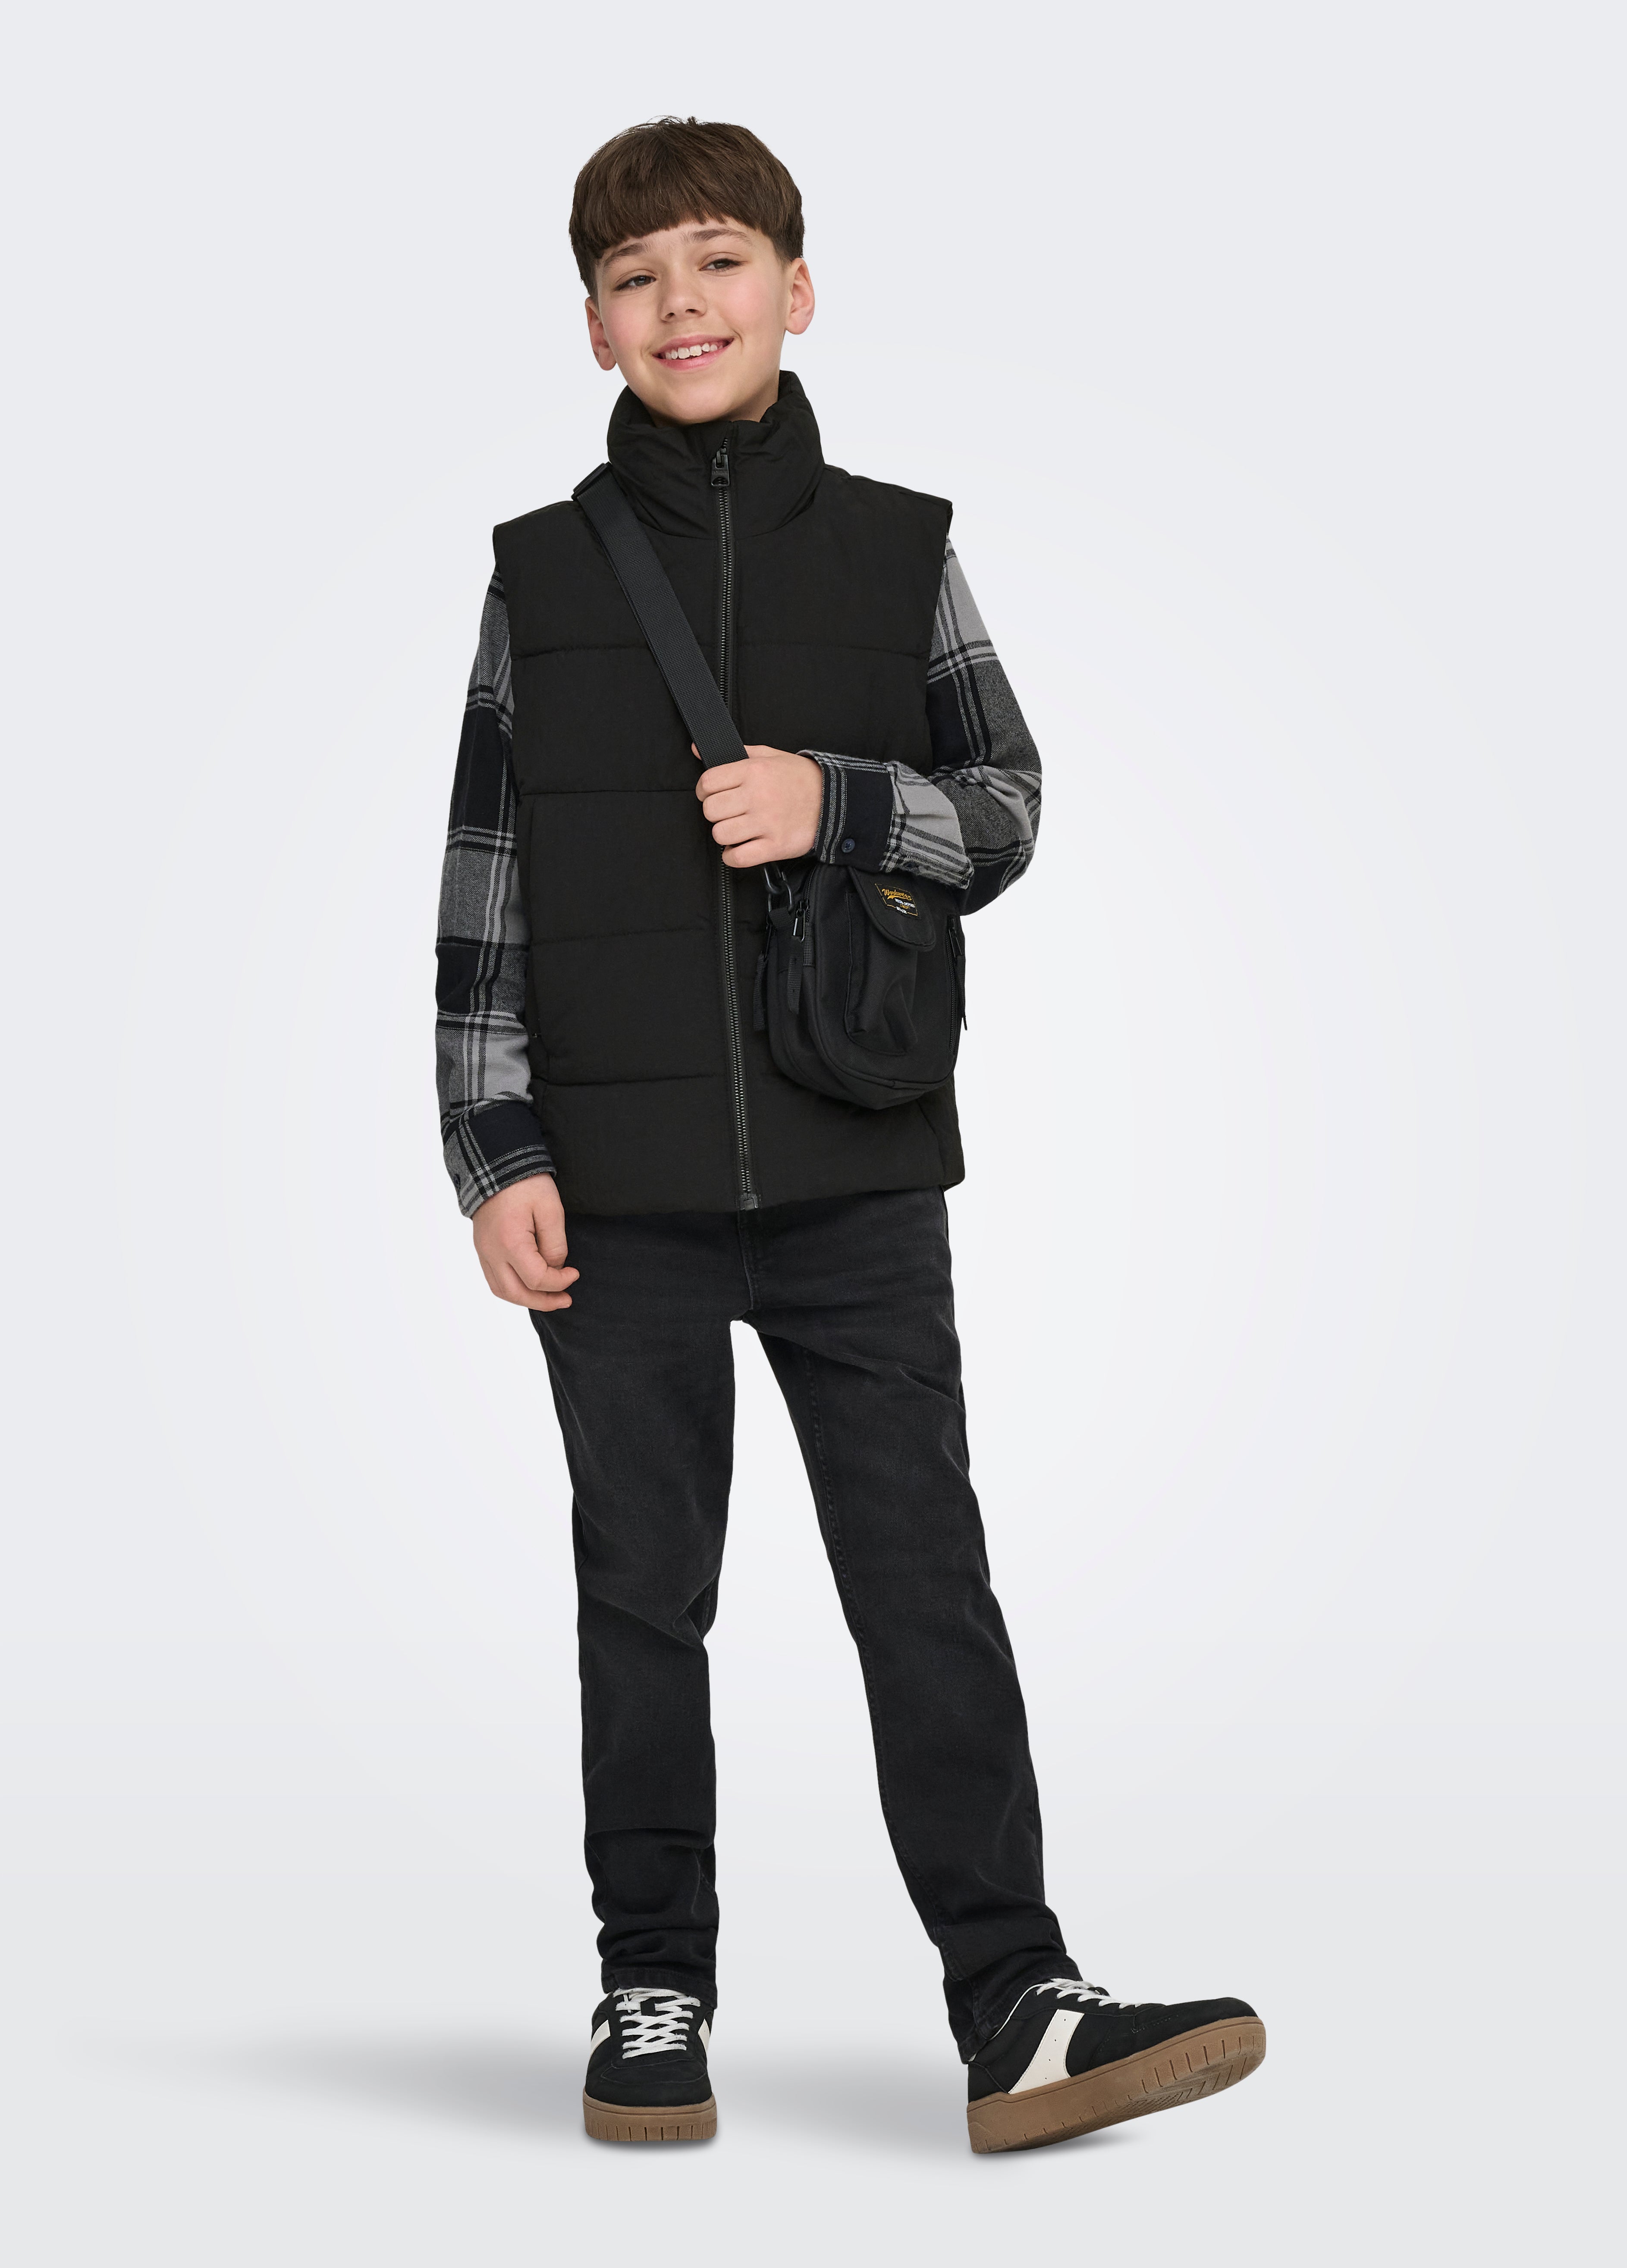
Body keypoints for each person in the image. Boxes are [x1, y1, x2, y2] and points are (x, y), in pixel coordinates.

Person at [434, 115, 1264, 2153]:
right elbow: (484, 884)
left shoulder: (899, 549)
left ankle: (1018, 2002)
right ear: (593, 326)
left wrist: (837, 800)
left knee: (921, 1576)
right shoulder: (540, 573)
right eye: (634, 277)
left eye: (718, 260)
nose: (681, 302)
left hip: (856, 1162)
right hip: (612, 1192)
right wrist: (494, 1144)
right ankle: (650, 1990)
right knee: (643, 1596)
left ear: (794, 291)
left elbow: (1009, 804)